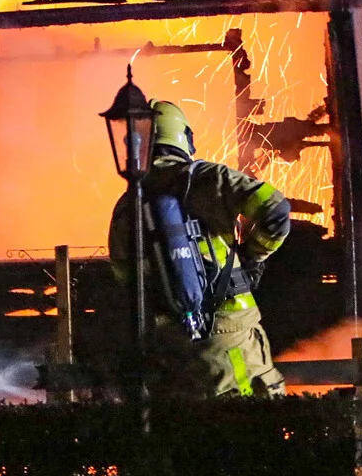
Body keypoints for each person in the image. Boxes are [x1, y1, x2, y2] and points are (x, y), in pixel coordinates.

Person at [108, 100, 291, 398]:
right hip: (230, 337)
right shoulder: (207, 178)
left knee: (191, 422)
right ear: (183, 137)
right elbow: (276, 209)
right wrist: (252, 256)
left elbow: (125, 279)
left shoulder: (126, 206)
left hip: (170, 348)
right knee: (251, 415)